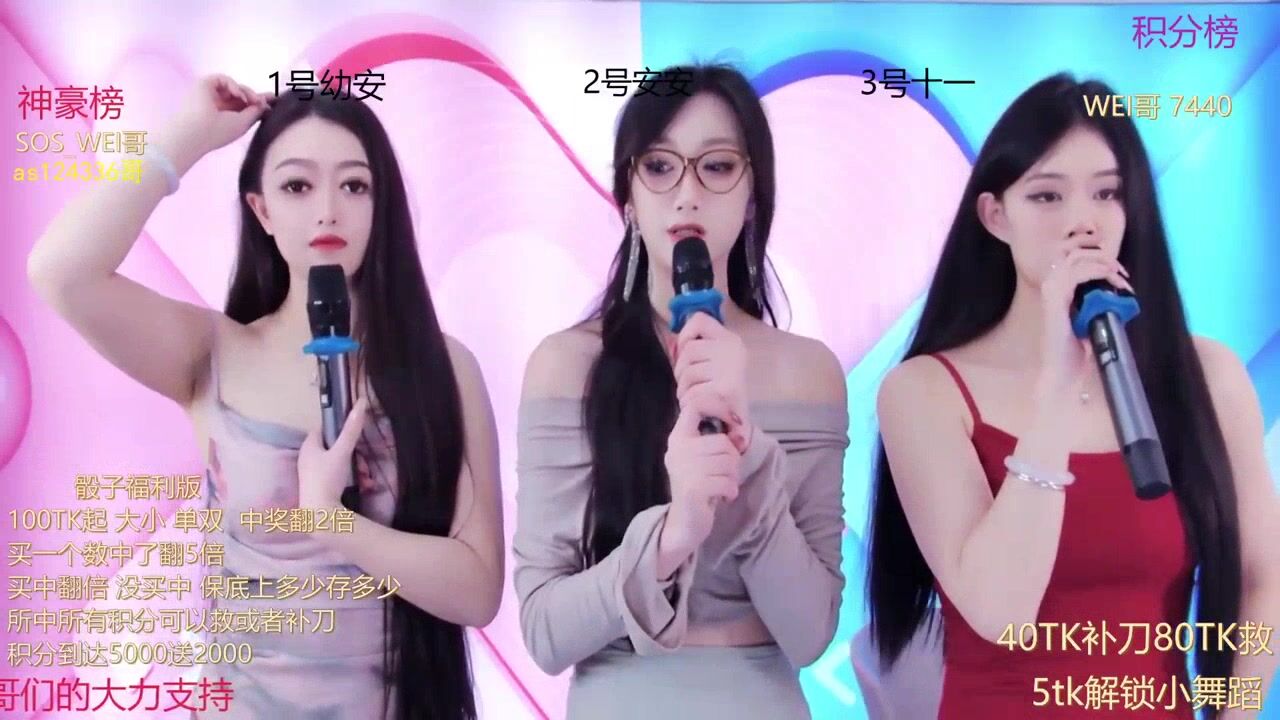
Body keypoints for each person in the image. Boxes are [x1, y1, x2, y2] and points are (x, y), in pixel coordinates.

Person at [27, 75, 505, 720]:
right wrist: (185, 138)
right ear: (262, 210)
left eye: (354, 186)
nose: (328, 210)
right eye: (297, 186)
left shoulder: (443, 367)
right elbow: (61, 271)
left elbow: (477, 592)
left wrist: (332, 522)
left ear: (380, 204)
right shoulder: (214, 353)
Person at [867, 72, 1279, 718]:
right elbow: (1000, 611)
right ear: (995, 216)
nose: (1082, 222)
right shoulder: (923, 391)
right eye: (1047, 196)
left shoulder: (1207, 377)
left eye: (1107, 193)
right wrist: (1058, 389)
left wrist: (1236, 713)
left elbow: (1263, 580)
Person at [513, 64, 848, 719]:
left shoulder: (807, 372)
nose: (688, 194)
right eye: (660, 167)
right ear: (627, 198)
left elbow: (810, 634)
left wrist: (745, 457)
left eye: (716, 167)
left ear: (753, 194)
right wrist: (670, 537)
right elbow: (545, 632)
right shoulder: (567, 364)